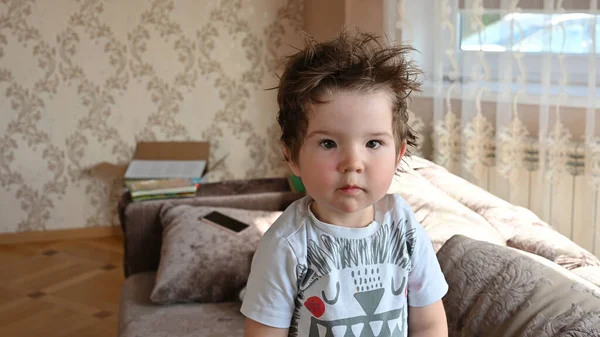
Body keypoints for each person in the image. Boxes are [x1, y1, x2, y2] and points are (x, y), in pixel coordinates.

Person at [241, 30, 448, 337]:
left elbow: (429, 323)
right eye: (328, 143)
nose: (352, 162)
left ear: (399, 154)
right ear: (292, 157)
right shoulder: (287, 246)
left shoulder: (403, 227)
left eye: (373, 143)